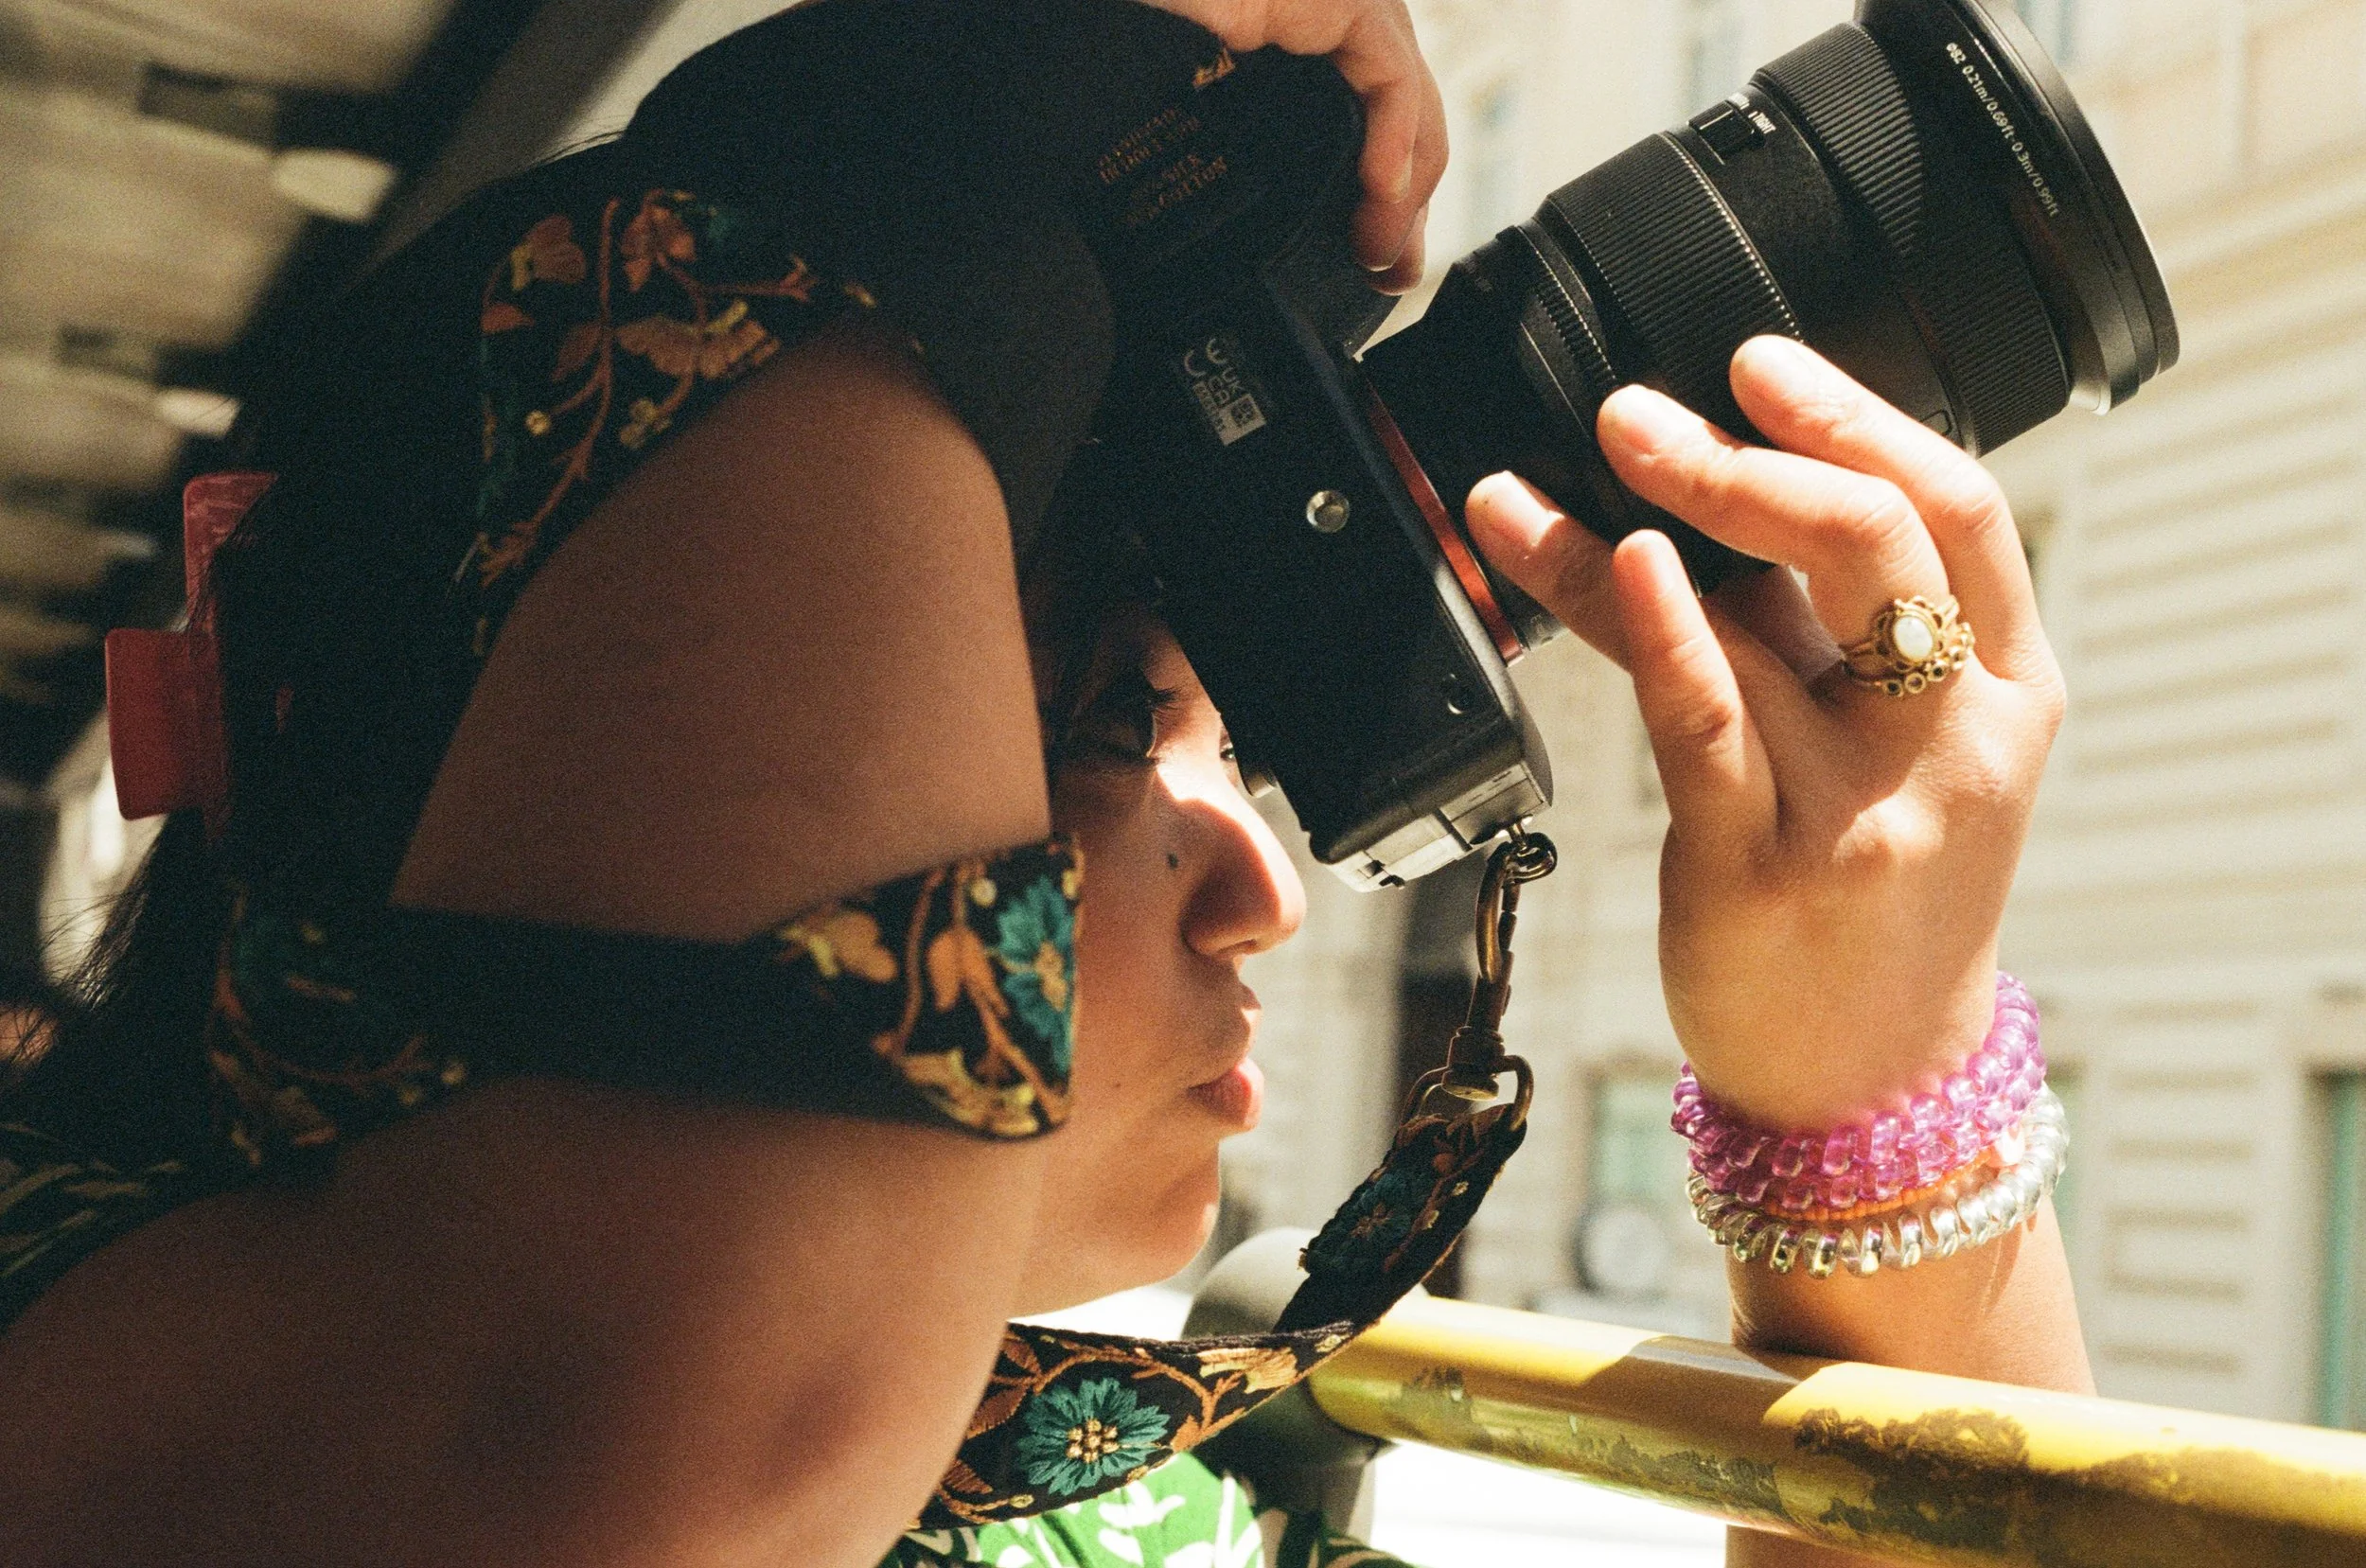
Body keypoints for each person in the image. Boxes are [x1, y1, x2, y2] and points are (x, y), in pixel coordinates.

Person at [0, 3, 2083, 1565]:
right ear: (537, 742)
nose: (1266, 882)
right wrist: (914, 207)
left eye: (1216, 730)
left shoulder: (1097, 1513)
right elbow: (640, 1459)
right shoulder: (67, 1295)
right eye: (1093, 722)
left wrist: (1867, 1089)